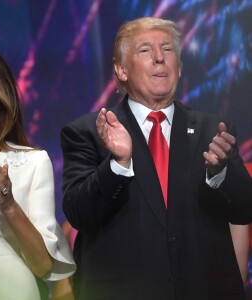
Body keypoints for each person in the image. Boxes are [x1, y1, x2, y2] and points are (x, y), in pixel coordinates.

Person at [60, 17, 252, 300]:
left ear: (180, 67)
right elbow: (78, 213)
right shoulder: (88, 132)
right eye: (145, 51)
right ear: (121, 70)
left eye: (168, 49)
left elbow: (244, 210)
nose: (160, 58)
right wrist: (117, 165)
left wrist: (220, 173)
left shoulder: (213, 131)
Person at [0, 46, 76, 300]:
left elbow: (43, 265)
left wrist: (9, 205)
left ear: (0, 94)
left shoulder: (32, 162)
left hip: (9, 289)